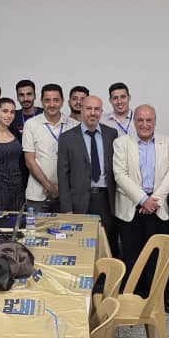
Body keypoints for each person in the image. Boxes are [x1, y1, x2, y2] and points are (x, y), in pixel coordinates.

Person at [113, 105, 169, 300]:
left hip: (157, 207)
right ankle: (132, 297)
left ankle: (156, 298)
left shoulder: (168, 143)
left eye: (149, 120)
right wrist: (142, 199)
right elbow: (120, 175)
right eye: (140, 120)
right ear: (134, 122)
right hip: (131, 207)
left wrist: (154, 200)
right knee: (132, 255)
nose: (145, 124)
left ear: (155, 122)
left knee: (157, 256)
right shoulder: (121, 143)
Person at [57, 95, 119, 254]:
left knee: (107, 245)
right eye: (89, 108)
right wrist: (67, 209)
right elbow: (62, 176)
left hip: (106, 200)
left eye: (97, 109)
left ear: (101, 112)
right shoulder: (67, 138)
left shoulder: (111, 134)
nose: (93, 113)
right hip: (79, 201)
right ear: (82, 110)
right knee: (80, 247)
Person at [23, 84, 78, 213]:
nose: (52, 104)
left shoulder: (74, 125)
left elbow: (77, 162)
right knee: (35, 226)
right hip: (37, 194)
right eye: (47, 100)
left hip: (67, 194)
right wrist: (49, 186)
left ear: (62, 101)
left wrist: (61, 188)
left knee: (67, 226)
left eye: (56, 100)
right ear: (42, 102)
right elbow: (30, 161)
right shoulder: (31, 124)